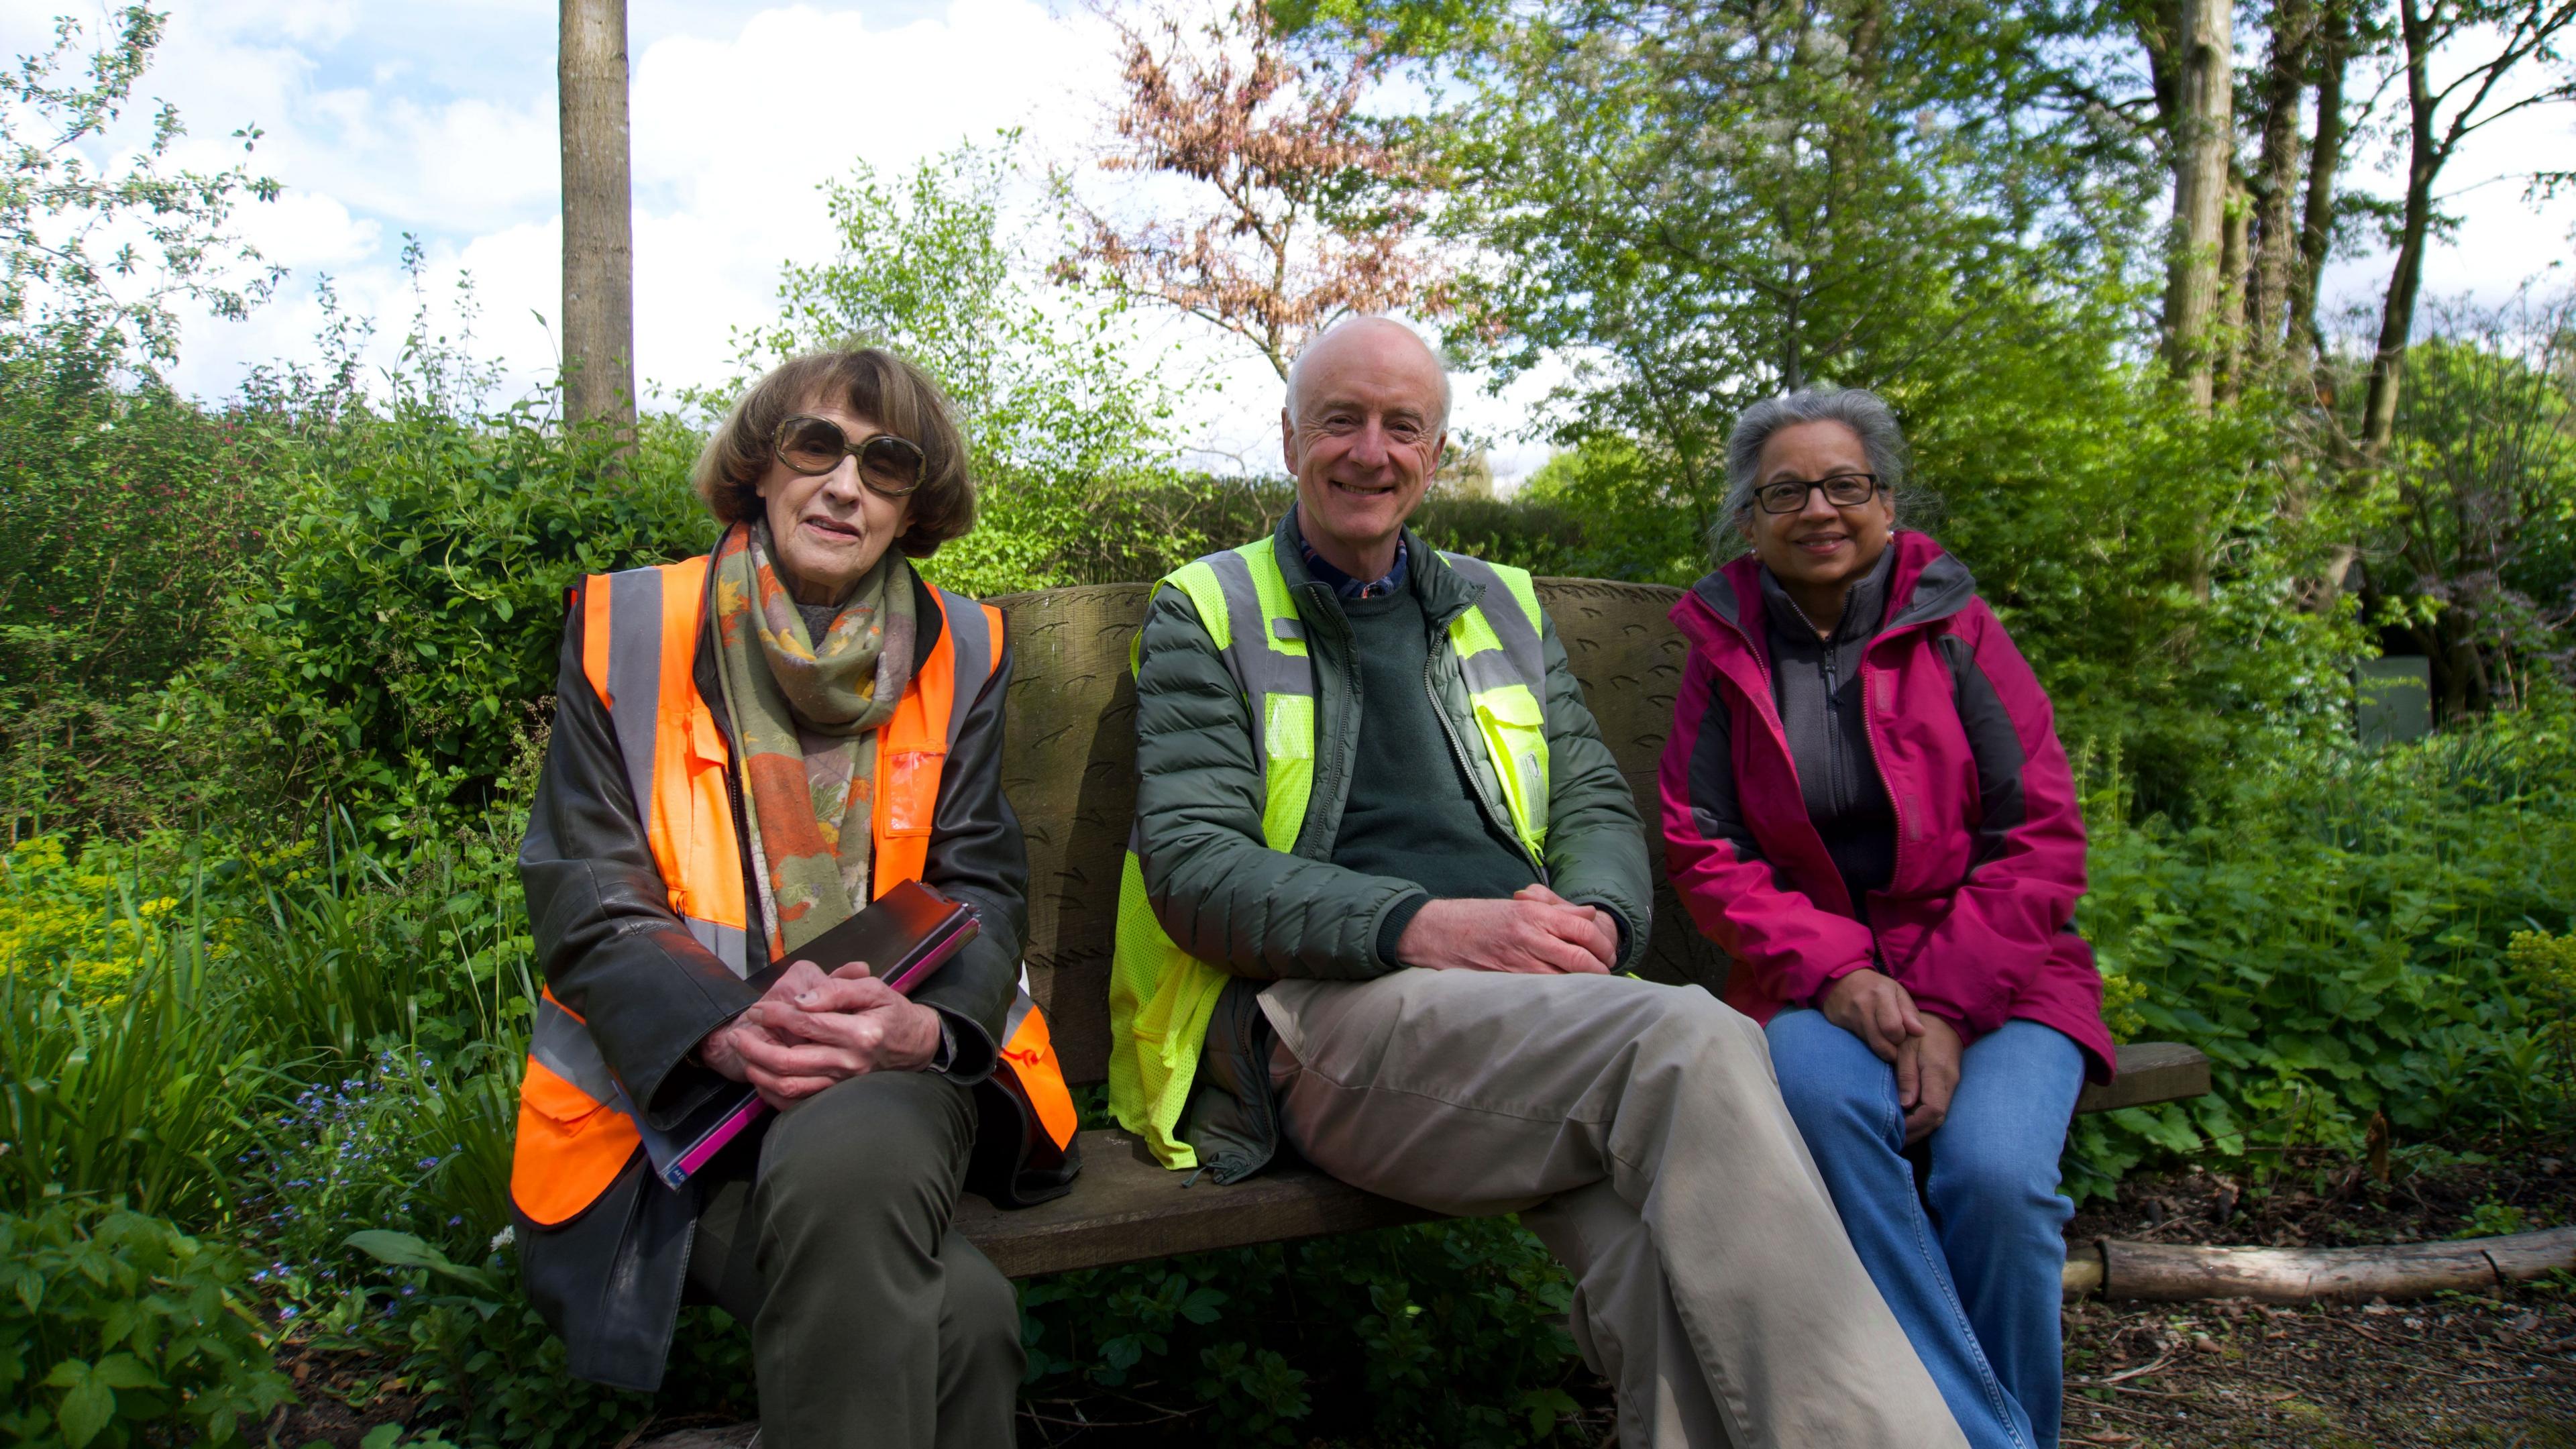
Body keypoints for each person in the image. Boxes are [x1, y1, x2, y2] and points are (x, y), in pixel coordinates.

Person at [1108, 316, 1968, 1449]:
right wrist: (1429, 926)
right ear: (1288, 439)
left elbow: (1596, 806)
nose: (1371, 451)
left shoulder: (1497, 603)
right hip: (1318, 1021)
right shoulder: (1206, 609)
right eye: (1341, 422)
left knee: (1655, 1256)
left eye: (1402, 426)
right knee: (1694, 1041)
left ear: (1435, 449)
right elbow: (1199, 872)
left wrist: (1599, 921)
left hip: (1539, 1023)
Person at [508, 347, 1079, 1448]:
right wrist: (725, 1030)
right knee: (966, 1323)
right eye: (815, 446)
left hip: (888, 1066)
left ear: (915, 503)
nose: (844, 484)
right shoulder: (631, 630)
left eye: (886, 462)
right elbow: (588, 894)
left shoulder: (964, 648)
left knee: (848, 1136)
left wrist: (924, 1024)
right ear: (761, 468)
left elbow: (980, 879)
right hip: (672, 1104)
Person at [1658, 388, 2113, 1449]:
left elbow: (2040, 834)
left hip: (2006, 980)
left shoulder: (1958, 631)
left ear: (1888, 501)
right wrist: (1842, 973)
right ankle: (1977, 1438)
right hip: (1813, 981)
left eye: (1844, 484)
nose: (1818, 508)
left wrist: (1944, 1007)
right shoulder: (1724, 652)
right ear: (1749, 518)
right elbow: (1702, 844)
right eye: (1785, 490)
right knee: (1826, 1117)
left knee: (1993, 1180)